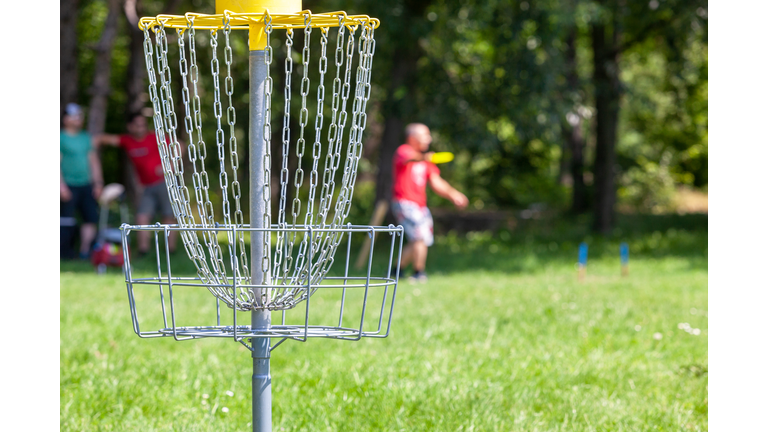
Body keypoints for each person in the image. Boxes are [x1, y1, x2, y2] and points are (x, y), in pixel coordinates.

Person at [390, 123, 468, 282]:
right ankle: (419, 273)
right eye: (425, 135)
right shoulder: (404, 151)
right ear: (412, 138)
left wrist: (454, 194)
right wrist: (424, 157)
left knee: (420, 238)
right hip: (404, 202)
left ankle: (396, 271)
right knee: (420, 236)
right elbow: (408, 158)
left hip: (420, 205)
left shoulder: (426, 161)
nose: (429, 139)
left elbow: (436, 182)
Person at [96, 113, 177, 256]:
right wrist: (91, 142)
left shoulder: (155, 137)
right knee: (141, 217)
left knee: (168, 216)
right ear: (130, 127)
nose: (141, 128)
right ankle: (143, 251)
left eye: (143, 124)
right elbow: (105, 139)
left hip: (165, 183)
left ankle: (171, 251)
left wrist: (170, 165)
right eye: (138, 125)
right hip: (146, 186)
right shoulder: (128, 141)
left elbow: (179, 145)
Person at [61, 103, 104, 259]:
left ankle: (85, 252)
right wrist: (61, 185)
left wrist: (98, 183)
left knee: (90, 218)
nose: (78, 119)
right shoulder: (60, 138)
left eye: (80, 115)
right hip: (67, 184)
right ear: (65, 119)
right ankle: (65, 253)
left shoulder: (86, 138)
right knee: (66, 220)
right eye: (74, 116)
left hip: (86, 185)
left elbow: (93, 161)